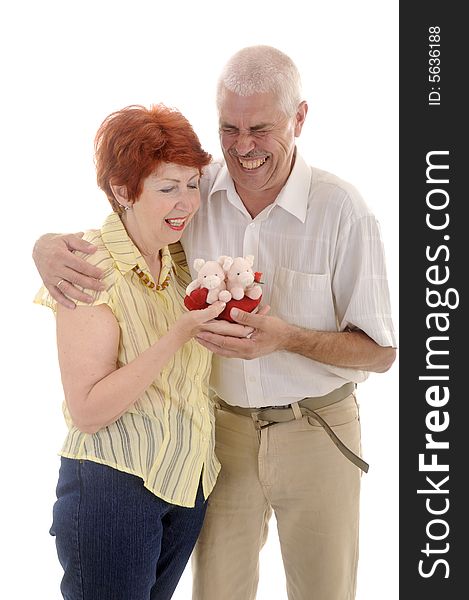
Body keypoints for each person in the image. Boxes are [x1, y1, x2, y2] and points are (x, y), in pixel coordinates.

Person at [33, 46, 397, 600]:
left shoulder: (341, 209)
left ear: (299, 119)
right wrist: (42, 246)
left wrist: (287, 338)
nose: (244, 147)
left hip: (313, 430)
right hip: (217, 442)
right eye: (229, 128)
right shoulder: (193, 191)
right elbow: (128, 198)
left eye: (261, 128)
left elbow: (382, 352)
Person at [34, 104, 229, 600]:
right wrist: (179, 333)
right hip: (112, 490)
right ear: (123, 191)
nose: (185, 201)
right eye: (167, 188)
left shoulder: (182, 257)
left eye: (191, 184)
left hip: (187, 485)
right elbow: (88, 410)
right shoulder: (91, 268)